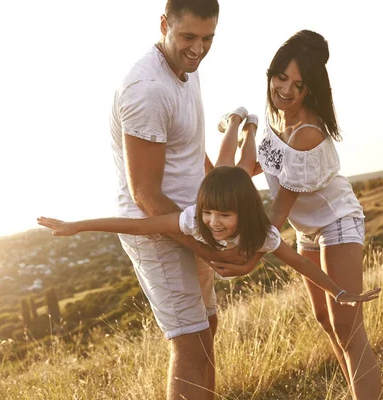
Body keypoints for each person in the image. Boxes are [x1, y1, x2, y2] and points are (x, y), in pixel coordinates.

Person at [212, 30, 383, 399]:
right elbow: (255, 168)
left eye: (298, 84)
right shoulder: (279, 120)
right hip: (308, 230)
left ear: (310, 90)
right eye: (281, 77)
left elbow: (277, 213)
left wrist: (249, 260)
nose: (286, 89)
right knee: (326, 321)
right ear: (270, 74)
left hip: (338, 222)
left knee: (348, 326)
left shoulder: (306, 133)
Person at [37, 166, 381, 307]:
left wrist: (339, 292)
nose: (214, 222)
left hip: (242, 194)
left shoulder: (262, 234)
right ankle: (236, 123)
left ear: (242, 215)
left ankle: (242, 125)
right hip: (210, 189)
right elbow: (139, 226)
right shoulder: (193, 219)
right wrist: (78, 225)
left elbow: (301, 265)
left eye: (224, 215)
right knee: (227, 166)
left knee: (238, 165)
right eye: (209, 212)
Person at [108, 1, 228, 398]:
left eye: (207, 38)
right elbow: (145, 193)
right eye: (188, 37)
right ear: (164, 24)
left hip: (194, 221)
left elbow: (192, 150)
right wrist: (204, 245)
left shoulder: (185, 68)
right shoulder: (147, 89)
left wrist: (221, 209)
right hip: (156, 231)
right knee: (190, 344)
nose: (198, 48)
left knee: (207, 329)